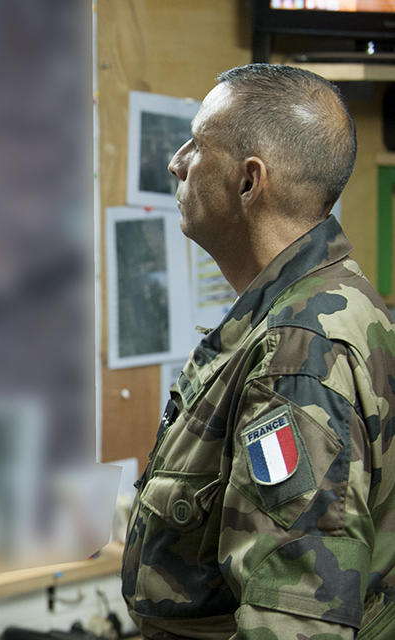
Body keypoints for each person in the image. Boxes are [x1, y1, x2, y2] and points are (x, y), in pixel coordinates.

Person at [121, 63, 395, 639]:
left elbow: (296, 620)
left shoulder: (298, 353)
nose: (176, 161)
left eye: (198, 143)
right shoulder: (328, 298)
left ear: (250, 182)